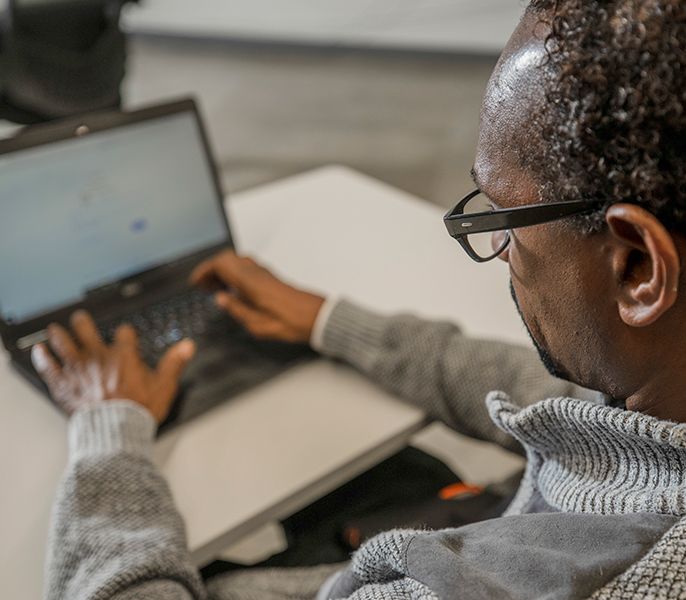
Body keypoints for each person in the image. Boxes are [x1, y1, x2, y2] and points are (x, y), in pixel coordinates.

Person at [35, 0, 686, 598]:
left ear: (637, 268)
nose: (502, 251)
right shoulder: (662, 385)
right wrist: (325, 320)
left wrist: (109, 428)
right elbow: (557, 404)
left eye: (504, 218)